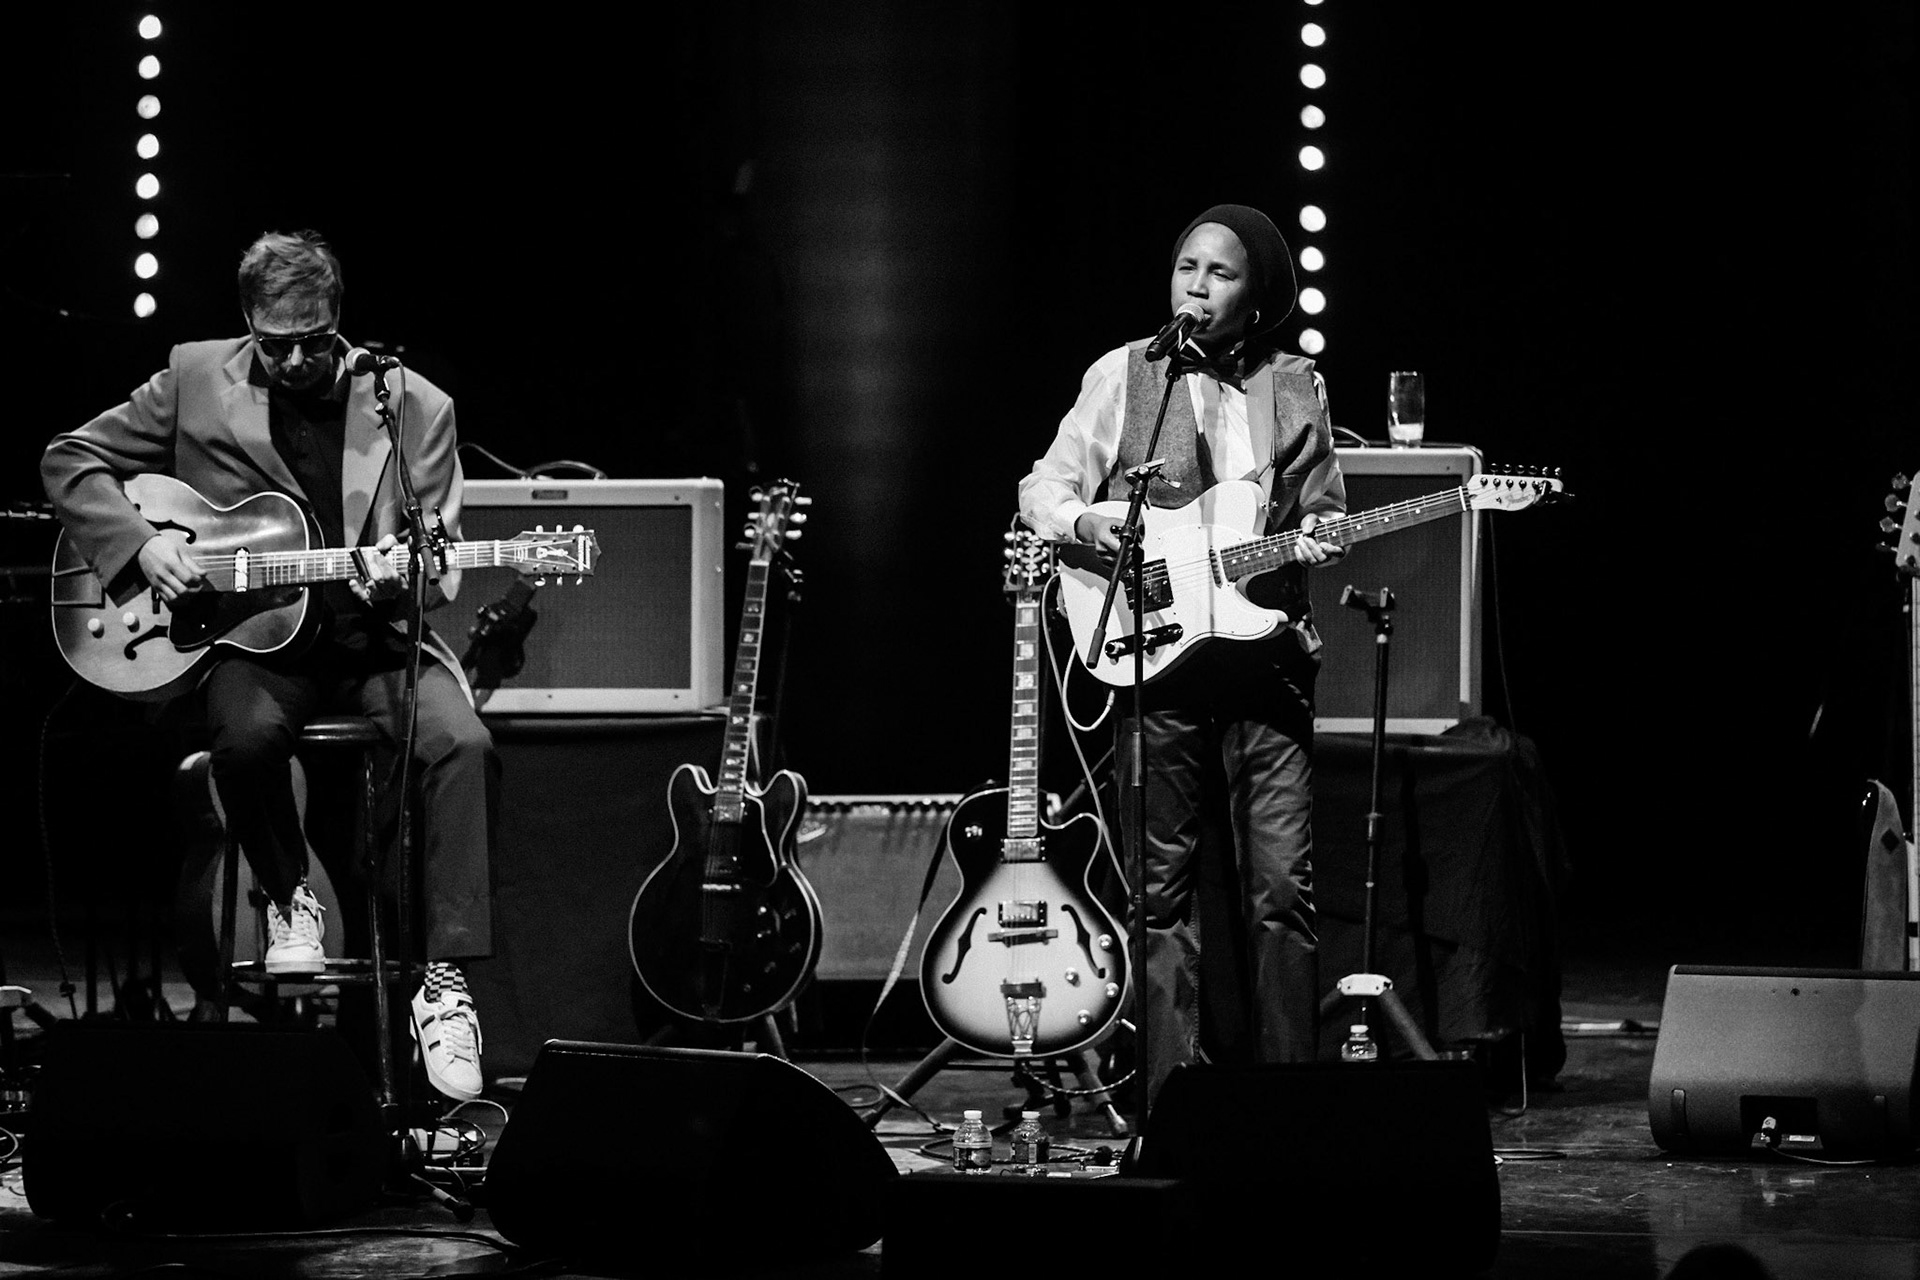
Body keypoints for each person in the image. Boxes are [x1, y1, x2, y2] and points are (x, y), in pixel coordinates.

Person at [42, 229, 497, 1103]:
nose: (292, 360)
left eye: (313, 341)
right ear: (248, 323)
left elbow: (437, 564)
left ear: (339, 321)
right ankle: (290, 895)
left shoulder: (414, 406)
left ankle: (443, 981)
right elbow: (71, 458)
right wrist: (137, 548)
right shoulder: (194, 375)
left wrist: (414, 575)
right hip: (253, 641)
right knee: (244, 741)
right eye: (273, 342)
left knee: (461, 743)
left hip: (376, 644)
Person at [1018, 203, 1346, 1106]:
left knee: (1281, 891)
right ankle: (1171, 1110)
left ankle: (1292, 1111)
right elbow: (1042, 485)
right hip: (1153, 660)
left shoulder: (1295, 383)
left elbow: (1321, 503)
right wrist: (1087, 520)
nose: (1197, 287)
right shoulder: (1127, 374)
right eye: (1186, 268)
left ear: (1258, 296)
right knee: (1158, 898)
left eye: (1221, 274)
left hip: (1265, 662)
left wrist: (1317, 535)